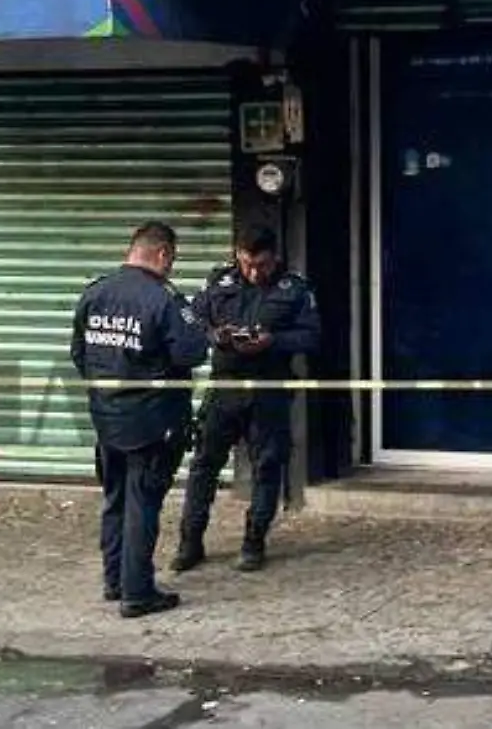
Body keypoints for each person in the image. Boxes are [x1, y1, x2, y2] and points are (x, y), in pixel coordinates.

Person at [71, 221, 208, 618]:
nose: (171, 267)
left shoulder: (95, 291)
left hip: (107, 417)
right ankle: (138, 592)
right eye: (172, 260)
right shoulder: (163, 298)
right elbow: (190, 353)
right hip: (151, 420)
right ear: (162, 254)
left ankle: (114, 579)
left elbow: (80, 354)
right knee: (142, 503)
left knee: (115, 498)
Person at [172, 225, 320, 574]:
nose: (254, 272)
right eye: (247, 263)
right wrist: (215, 335)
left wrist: (273, 341)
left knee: (267, 468)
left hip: (269, 391)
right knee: (204, 467)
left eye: (262, 265)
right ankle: (189, 542)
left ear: (275, 257)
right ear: (237, 254)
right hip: (225, 388)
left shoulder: (295, 288)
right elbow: (191, 319)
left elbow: (312, 336)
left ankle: (254, 542)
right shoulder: (218, 282)